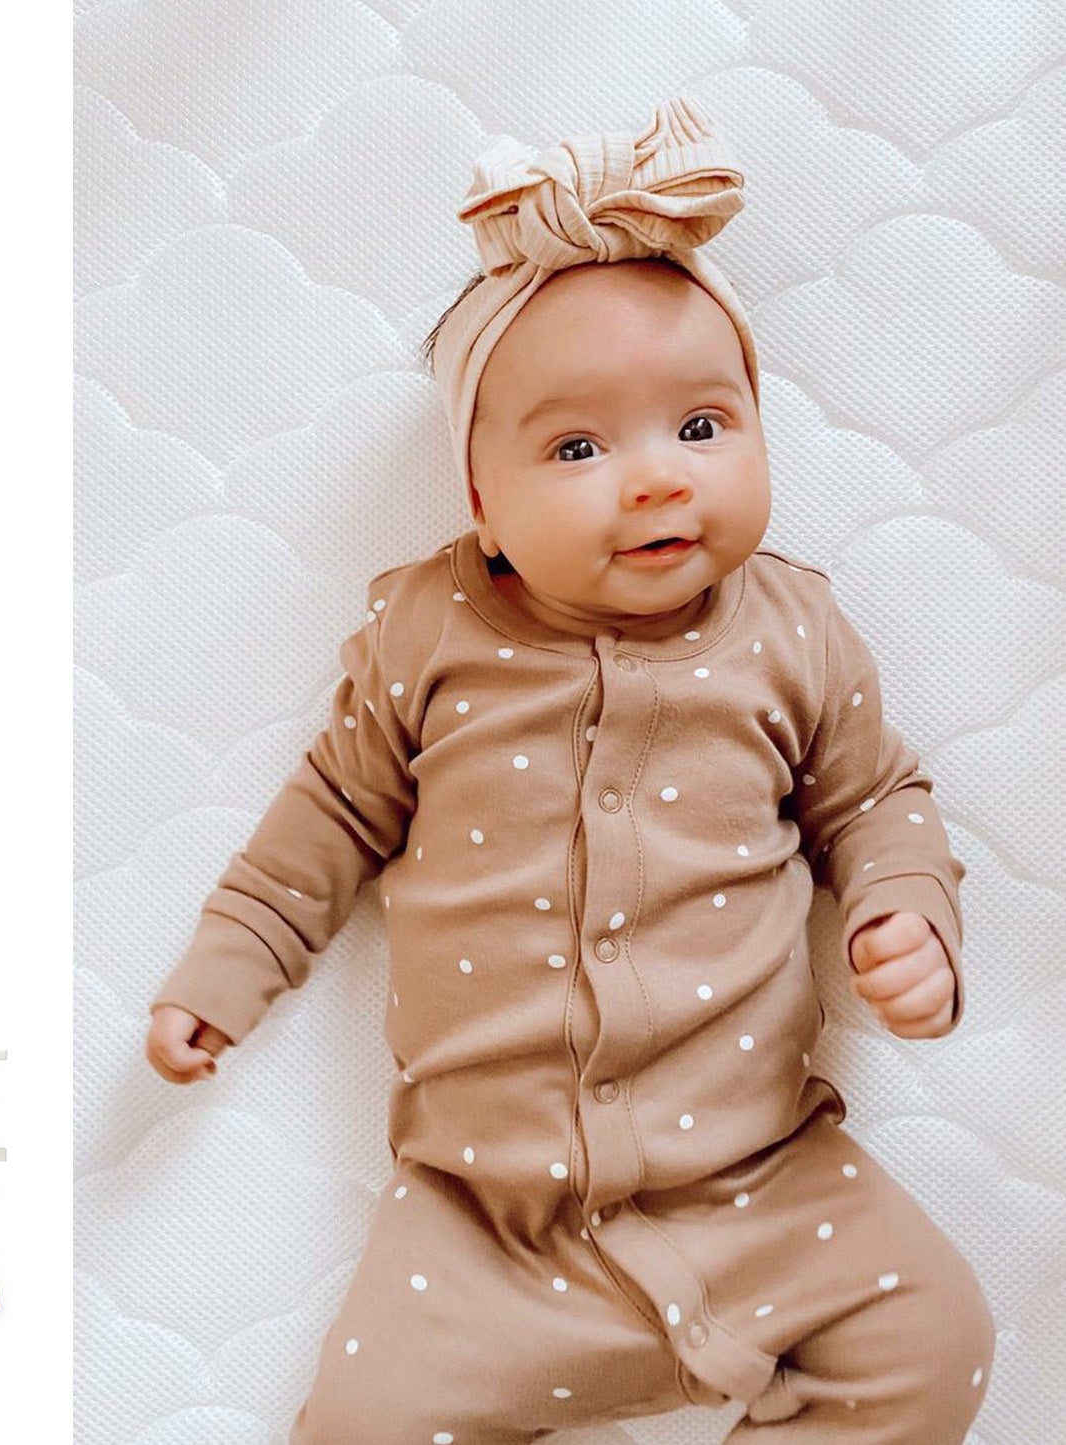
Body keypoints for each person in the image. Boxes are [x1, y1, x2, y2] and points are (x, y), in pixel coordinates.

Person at [145, 93, 994, 1442]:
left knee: (933, 1331)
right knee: (362, 1423)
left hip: (761, 1181)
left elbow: (875, 798)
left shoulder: (792, 629)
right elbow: (322, 821)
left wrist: (905, 915)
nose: (654, 480)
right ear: (479, 499)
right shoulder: (431, 631)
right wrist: (222, 973)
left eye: (702, 427)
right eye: (577, 448)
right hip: (486, 1224)